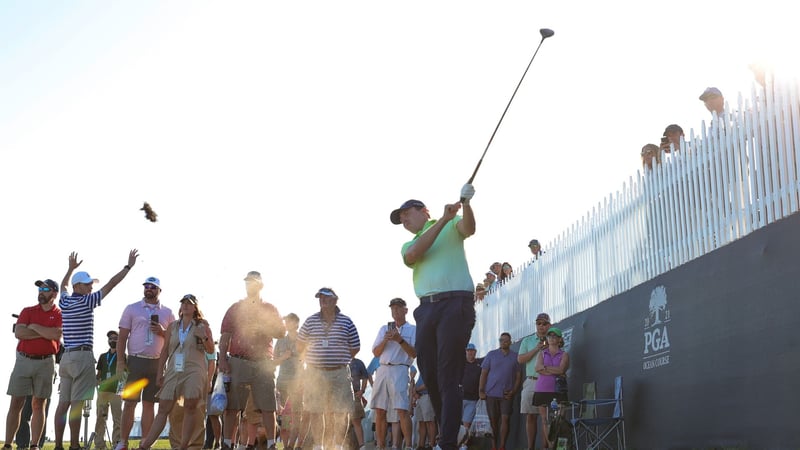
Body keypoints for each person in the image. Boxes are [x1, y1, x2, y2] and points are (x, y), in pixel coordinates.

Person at [389, 183, 476, 450]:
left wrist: (467, 204)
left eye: (407, 213)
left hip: (455, 303)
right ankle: (451, 432)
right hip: (426, 308)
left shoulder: (451, 223)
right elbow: (415, 253)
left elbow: (469, 229)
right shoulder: (410, 243)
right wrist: (444, 220)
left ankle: (447, 441)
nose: (403, 220)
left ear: (424, 211)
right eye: (400, 218)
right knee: (429, 372)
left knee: (448, 373)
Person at [56, 250, 139, 450]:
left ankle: (58, 445)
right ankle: (74, 445)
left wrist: (69, 269)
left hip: (66, 357)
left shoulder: (64, 302)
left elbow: (62, 286)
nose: (91, 286)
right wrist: (127, 267)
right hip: (83, 356)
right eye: (87, 284)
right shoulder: (87, 301)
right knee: (76, 404)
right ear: (79, 286)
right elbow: (111, 284)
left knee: (63, 404)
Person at [138, 294, 216, 450]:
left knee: (190, 407)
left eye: (189, 303)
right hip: (174, 369)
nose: (186, 306)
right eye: (183, 303)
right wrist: (160, 372)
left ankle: (184, 446)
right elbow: (165, 350)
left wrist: (204, 338)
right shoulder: (173, 326)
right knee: (163, 408)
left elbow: (211, 350)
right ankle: (145, 446)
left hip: (194, 369)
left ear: (195, 308)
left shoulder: (202, 325)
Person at [218, 271, 286, 450]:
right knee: (232, 406)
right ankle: (226, 443)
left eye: (253, 283)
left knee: (267, 406)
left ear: (261, 286)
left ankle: (271, 444)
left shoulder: (269, 309)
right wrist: (223, 359)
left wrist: (265, 325)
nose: (250, 286)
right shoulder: (235, 308)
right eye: (247, 282)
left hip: (263, 362)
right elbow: (225, 335)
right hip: (238, 360)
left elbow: (281, 332)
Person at [115, 276, 176, 450]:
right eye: (147, 286)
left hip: (157, 363)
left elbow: (173, 339)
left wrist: (163, 332)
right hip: (135, 360)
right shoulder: (132, 308)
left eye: (153, 287)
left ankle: (145, 443)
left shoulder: (168, 312)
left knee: (149, 404)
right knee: (130, 402)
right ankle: (123, 442)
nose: (149, 289)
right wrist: (121, 361)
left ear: (159, 290)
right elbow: (122, 337)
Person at [297, 287, 360, 450]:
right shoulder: (310, 320)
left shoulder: (346, 321)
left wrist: (339, 357)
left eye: (326, 298)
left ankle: (338, 446)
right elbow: (300, 344)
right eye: (320, 298)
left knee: (342, 411)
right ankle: (319, 446)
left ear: (334, 301)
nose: (322, 301)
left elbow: (355, 347)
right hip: (315, 372)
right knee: (316, 410)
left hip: (339, 372)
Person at [3, 279, 62, 450]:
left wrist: (34, 326)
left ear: (54, 293)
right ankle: (8, 444)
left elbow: (55, 334)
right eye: (40, 289)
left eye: (45, 289)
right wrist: (44, 332)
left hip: (46, 362)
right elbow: (19, 332)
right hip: (23, 360)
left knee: (39, 404)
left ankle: (34, 445)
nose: (41, 292)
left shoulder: (58, 313)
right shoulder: (27, 311)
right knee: (16, 403)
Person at [371, 298, 417, 450]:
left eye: (398, 308)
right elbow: (376, 353)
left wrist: (400, 340)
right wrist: (385, 340)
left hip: (400, 368)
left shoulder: (413, 329)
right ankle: (381, 446)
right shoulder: (384, 329)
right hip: (383, 368)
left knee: (402, 409)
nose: (395, 311)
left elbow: (414, 353)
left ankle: (409, 445)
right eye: (392, 309)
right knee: (379, 409)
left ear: (405, 310)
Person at [478, 333, 520, 450]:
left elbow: (518, 376)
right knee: (493, 421)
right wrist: (481, 390)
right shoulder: (491, 355)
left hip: (506, 394)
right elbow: (484, 373)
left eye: (506, 340)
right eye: (501, 340)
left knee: (505, 419)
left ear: (510, 342)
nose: (503, 342)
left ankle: (502, 446)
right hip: (491, 393)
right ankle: (493, 446)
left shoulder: (515, 356)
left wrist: (514, 391)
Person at [516, 313, 550, 450]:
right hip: (531, 381)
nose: (541, 326)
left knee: (545, 418)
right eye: (538, 323)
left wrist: (548, 345)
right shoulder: (527, 340)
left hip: (547, 381)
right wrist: (536, 348)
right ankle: (530, 447)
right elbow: (520, 359)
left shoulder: (553, 339)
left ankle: (545, 447)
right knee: (530, 416)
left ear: (549, 325)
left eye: (544, 323)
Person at [533, 327, 570, 450]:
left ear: (560, 339)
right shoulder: (542, 353)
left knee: (560, 419)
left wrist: (545, 368)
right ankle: (550, 446)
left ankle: (560, 447)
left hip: (558, 390)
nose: (551, 338)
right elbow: (537, 368)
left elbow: (561, 370)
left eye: (555, 336)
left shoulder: (564, 354)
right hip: (542, 389)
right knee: (545, 420)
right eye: (549, 336)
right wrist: (552, 370)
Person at [274, 313, 303, 450]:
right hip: (283, 382)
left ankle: (292, 445)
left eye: (289, 321)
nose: (286, 324)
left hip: (298, 383)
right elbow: (273, 362)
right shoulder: (280, 341)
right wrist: (283, 357)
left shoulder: (302, 340)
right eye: (285, 322)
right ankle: (286, 446)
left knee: (297, 414)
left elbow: (309, 359)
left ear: (296, 323)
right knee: (284, 418)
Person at [94, 331, 123, 450]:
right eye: (110, 338)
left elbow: (125, 374)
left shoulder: (122, 356)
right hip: (103, 391)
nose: (112, 340)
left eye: (115, 338)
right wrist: (97, 382)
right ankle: (99, 444)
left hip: (116, 391)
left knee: (117, 418)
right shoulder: (102, 356)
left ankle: (116, 443)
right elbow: (99, 374)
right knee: (100, 418)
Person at [460, 343, 482, 448]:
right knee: (455, 423)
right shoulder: (461, 364)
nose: (470, 352)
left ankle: (464, 445)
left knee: (466, 424)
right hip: (459, 398)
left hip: (472, 399)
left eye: (472, 351)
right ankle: (456, 443)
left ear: (475, 352)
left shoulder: (479, 365)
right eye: (468, 350)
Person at [348, 357, 370, 450]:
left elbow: (366, 376)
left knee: (356, 420)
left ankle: (362, 446)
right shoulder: (338, 360)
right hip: (340, 394)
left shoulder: (358, 363)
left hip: (356, 395)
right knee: (341, 422)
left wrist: (362, 391)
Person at [413, 374, 436, 450]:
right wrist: (415, 392)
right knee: (421, 422)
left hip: (427, 395)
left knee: (429, 421)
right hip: (420, 396)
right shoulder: (423, 367)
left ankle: (431, 445)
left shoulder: (432, 366)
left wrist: (416, 390)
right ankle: (421, 445)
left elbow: (430, 383)